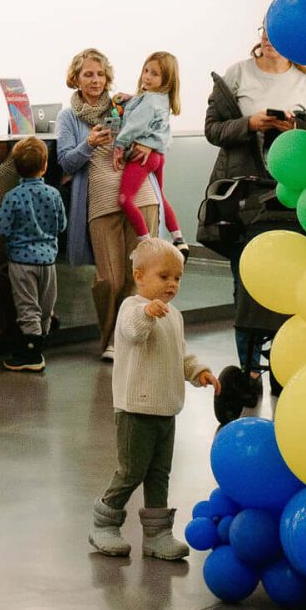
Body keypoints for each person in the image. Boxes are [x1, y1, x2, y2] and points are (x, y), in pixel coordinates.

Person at [201, 25, 306, 392]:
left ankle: (285, 363)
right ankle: (248, 370)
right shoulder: (237, 75)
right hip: (246, 195)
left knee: (294, 281)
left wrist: (296, 130)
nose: (267, 38)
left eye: (275, 32)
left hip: (293, 194)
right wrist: (250, 123)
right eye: (264, 31)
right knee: (246, 280)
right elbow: (213, 130)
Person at [88, 236, 216, 562]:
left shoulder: (174, 316)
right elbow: (134, 332)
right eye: (164, 276)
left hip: (166, 408)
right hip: (135, 409)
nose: (172, 284)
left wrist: (198, 371)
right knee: (131, 471)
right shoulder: (131, 309)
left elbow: (180, 354)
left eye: (177, 278)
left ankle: (157, 534)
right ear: (139, 276)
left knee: (160, 473)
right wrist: (147, 312)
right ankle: (104, 522)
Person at [53, 49, 127, 356]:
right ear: (76, 79)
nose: (95, 80)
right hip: (95, 201)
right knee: (109, 277)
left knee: (133, 272)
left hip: (129, 195)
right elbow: (66, 162)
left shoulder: (121, 108)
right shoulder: (68, 116)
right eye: (88, 74)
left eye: (100, 74)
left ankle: (126, 338)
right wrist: (89, 144)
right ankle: (109, 338)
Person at [0, 135, 67, 374]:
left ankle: (31, 354)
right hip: (48, 261)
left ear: (16, 167)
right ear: (45, 166)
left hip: (21, 262)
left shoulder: (12, 197)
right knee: (45, 306)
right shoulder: (54, 194)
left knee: (27, 306)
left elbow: (1, 228)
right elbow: (61, 225)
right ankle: (41, 342)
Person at [116, 52, 183, 243]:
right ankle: (178, 238)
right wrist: (131, 98)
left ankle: (146, 241)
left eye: (154, 74)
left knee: (124, 199)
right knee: (160, 196)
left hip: (143, 156)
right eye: (146, 71)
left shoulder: (149, 101)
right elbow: (147, 106)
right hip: (158, 156)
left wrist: (119, 146)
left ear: (166, 80)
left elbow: (134, 126)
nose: (147, 76)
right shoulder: (162, 98)